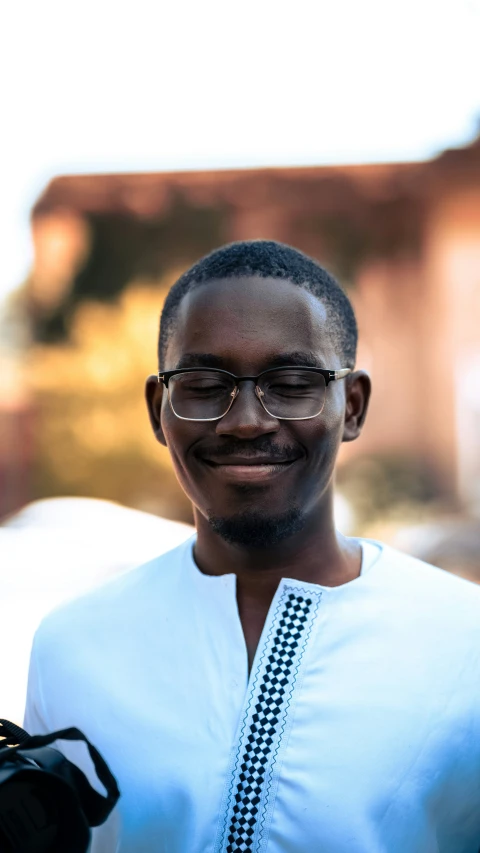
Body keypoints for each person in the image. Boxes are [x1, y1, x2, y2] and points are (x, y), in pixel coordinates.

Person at [23, 240, 480, 853]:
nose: (245, 420)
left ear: (354, 407)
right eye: (205, 384)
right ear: (160, 411)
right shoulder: (73, 646)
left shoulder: (464, 642)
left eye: (292, 383)